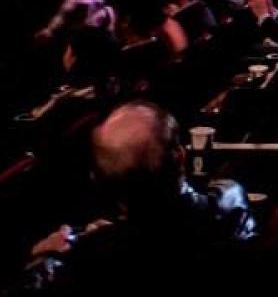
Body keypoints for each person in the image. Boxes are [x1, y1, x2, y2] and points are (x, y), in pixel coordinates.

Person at [25, 101, 255, 294]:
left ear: (98, 180)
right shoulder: (229, 202)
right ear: (180, 157)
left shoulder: (88, 257)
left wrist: (46, 257)